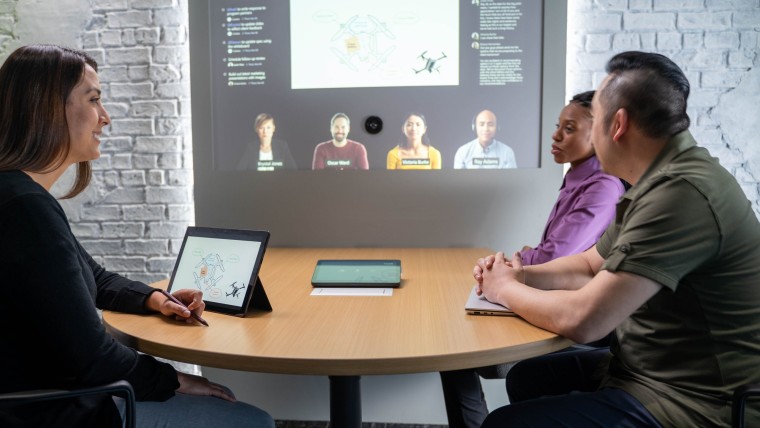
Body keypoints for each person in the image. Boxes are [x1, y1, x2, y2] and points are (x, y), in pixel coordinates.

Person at [475, 51, 760, 427]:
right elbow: (591, 265)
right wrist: (519, 275)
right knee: (529, 377)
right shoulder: (656, 180)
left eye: (593, 119)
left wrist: (503, 291)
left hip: (695, 401)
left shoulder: (681, 193)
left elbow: (586, 320)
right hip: (643, 369)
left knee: (504, 425)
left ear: (618, 124)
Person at [0, 44, 274, 427]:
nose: (105, 117)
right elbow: (92, 357)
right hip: (55, 410)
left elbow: (94, 278)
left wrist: (154, 299)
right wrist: (173, 380)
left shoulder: (17, 195)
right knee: (252, 422)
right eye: (94, 100)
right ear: (47, 108)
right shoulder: (24, 209)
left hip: (43, 394)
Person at [439, 91, 625, 428]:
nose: (555, 136)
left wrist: (511, 270)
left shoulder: (604, 187)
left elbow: (557, 255)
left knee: (459, 346)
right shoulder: (577, 177)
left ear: (600, 135)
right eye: (558, 126)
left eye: (569, 129)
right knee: (457, 341)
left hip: (578, 316)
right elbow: (558, 255)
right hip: (555, 295)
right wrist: (514, 265)